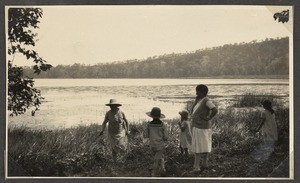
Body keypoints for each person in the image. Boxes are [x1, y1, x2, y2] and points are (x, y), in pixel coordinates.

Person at [190, 84, 218, 172]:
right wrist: (196, 100)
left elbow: (215, 109)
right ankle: (204, 164)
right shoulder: (199, 100)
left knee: (199, 146)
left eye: (197, 92)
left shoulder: (206, 100)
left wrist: (209, 117)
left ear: (203, 92)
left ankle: (196, 167)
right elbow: (193, 111)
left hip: (202, 127)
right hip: (199, 126)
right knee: (203, 145)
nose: (196, 93)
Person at [100, 99, 129, 163]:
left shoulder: (121, 112)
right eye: (110, 106)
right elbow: (105, 122)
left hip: (121, 132)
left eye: (113, 106)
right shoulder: (108, 113)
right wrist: (102, 130)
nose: (111, 107)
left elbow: (126, 121)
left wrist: (127, 130)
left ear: (116, 106)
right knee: (113, 147)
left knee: (122, 146)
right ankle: (115, 162)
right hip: (111, 132)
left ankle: (124, 161)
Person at [145, 107, 168, 177]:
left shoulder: (149, 125)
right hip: (160, 145)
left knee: (159, 157)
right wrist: (164, 139)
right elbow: (166, 137)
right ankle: (154, 174)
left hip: (152, 145)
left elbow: (146, 135)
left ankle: (163, 169)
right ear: (159, 116)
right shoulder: (162, 125)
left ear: (152, 116)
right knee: (156, 160)